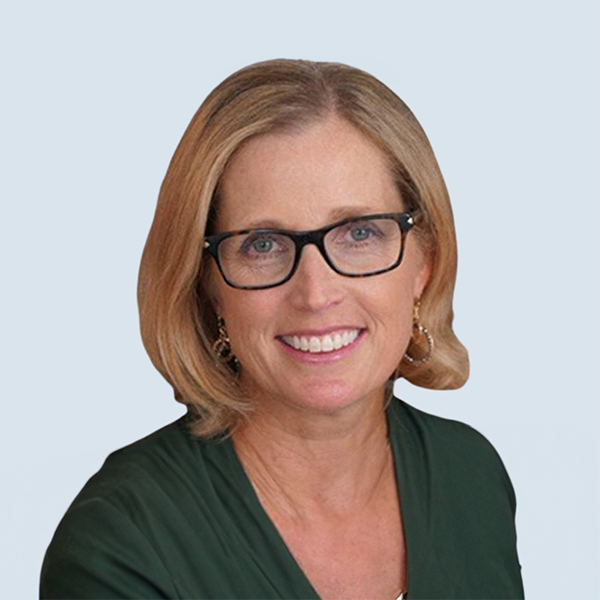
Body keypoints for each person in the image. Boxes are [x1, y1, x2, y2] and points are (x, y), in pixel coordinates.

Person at [40, 59, 525, 600]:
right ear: (207, 285)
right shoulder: (123, 541)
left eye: (360, 233)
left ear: (423, 263)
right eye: (263, 245)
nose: (316, 294)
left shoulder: (471, 477)